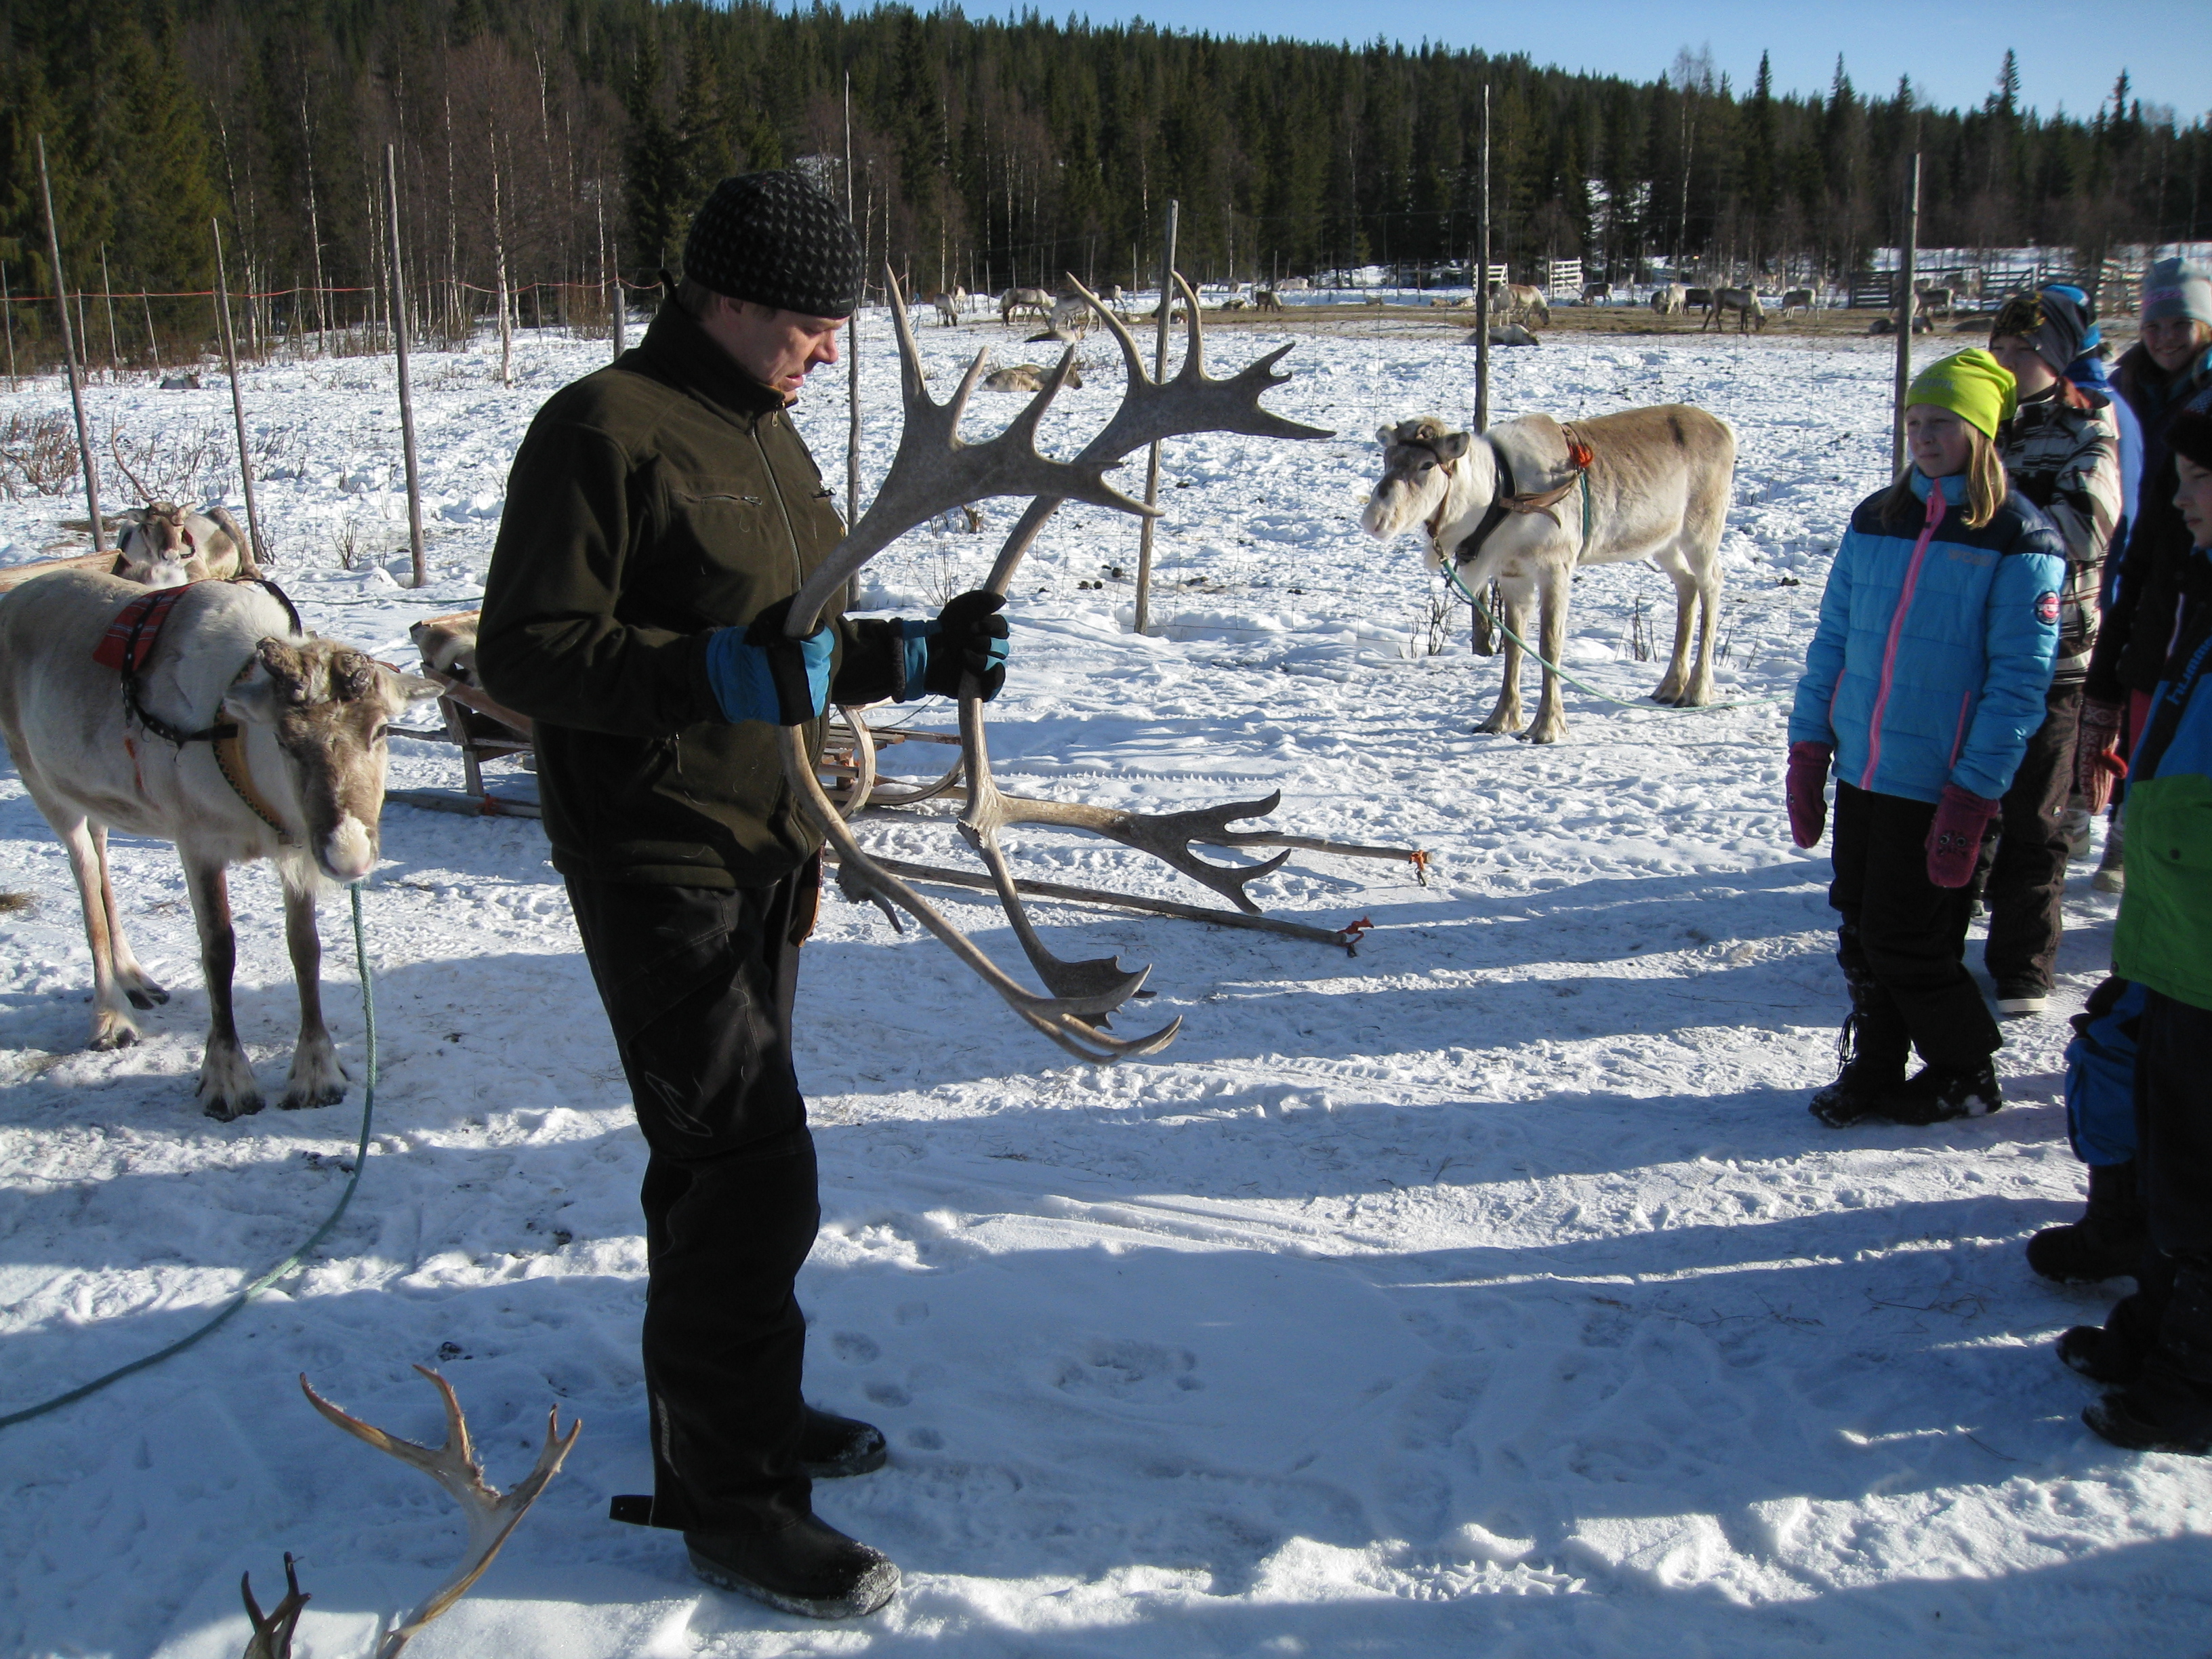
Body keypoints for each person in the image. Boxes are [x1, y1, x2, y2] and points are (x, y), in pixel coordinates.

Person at [476, 170, 1009, 1619]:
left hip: (769, 841)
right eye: (806, 324)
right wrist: (701, 673)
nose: (826, 351)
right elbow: (524, 652)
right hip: (655, 851)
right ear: (723, 297)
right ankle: (730, 1501)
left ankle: (733, 1417)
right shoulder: (603, 429)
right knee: (750, 1172)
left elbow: (791, 643)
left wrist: (920, 655)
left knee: (714, 1169)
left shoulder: (764, 434)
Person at [1786, 350, 2066, 1127]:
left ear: (1981, 432)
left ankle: (1964, 1069)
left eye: (1942, 422)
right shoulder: (1876, 519)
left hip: (1941, 781)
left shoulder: (2019, 539)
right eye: (1914, 421)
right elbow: (1833, 641)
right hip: (1865, 768)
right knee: (1859, 928)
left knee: (1909, 938)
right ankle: (1875, 1066)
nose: (1923, 436)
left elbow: (2019, 684)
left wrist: (1974, 794)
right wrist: (1810, 748)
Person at [2062, 409, 2212, 1456]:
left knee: (2203, 1166)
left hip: (2203, 933)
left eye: (2201, 481)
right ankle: (2158, 1328)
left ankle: (2192, 1386)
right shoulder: (2201, 585)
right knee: (2170, 1147)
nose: (2181, 497)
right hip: (2175, 921)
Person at [1975, 287, 2123, 1015]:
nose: (2006, 364)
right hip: (1976, 652)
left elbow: (2086, 527)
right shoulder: (1982, 428)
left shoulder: (2088, 431)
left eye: (2022, 352)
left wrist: (1989, 521)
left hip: (2053, 657)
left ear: (2058, 359)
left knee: (2037, 814)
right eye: (1998, 350)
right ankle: (1943, 930)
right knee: (1972, 800)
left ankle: (2023, 964)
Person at [2078, 258, 2212, 892]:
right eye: (2154, 325)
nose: (2165, 338)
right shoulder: (2123, 388)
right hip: (2138, 547)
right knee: (2134, 681)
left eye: (2180, 323)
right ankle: (2117, 816)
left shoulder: (2205, 399)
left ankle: (2141, 830)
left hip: (2191, 553)